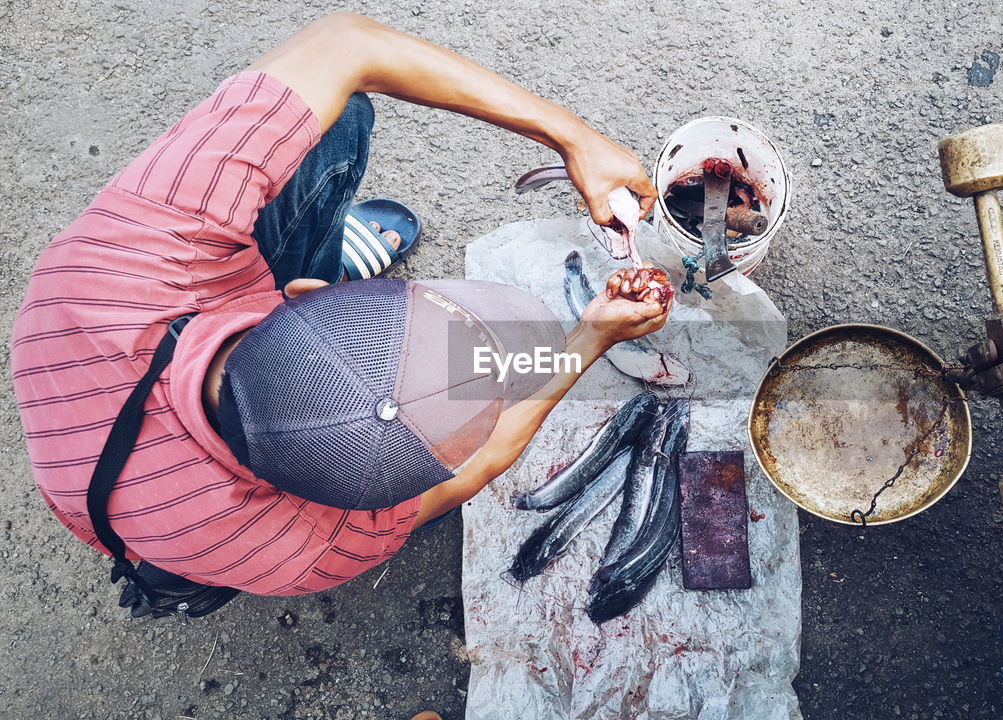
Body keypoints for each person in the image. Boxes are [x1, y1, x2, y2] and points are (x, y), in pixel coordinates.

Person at [10, 13, 668, 612]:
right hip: (194, 526)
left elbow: (344, 46)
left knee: (335, 118)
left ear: (299, 293)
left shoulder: (143, 249)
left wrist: (571, 136)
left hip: (107, 437)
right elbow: (484, 461)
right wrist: (592, 336)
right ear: (300, 288)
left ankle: (329, 309)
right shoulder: (306, 548)